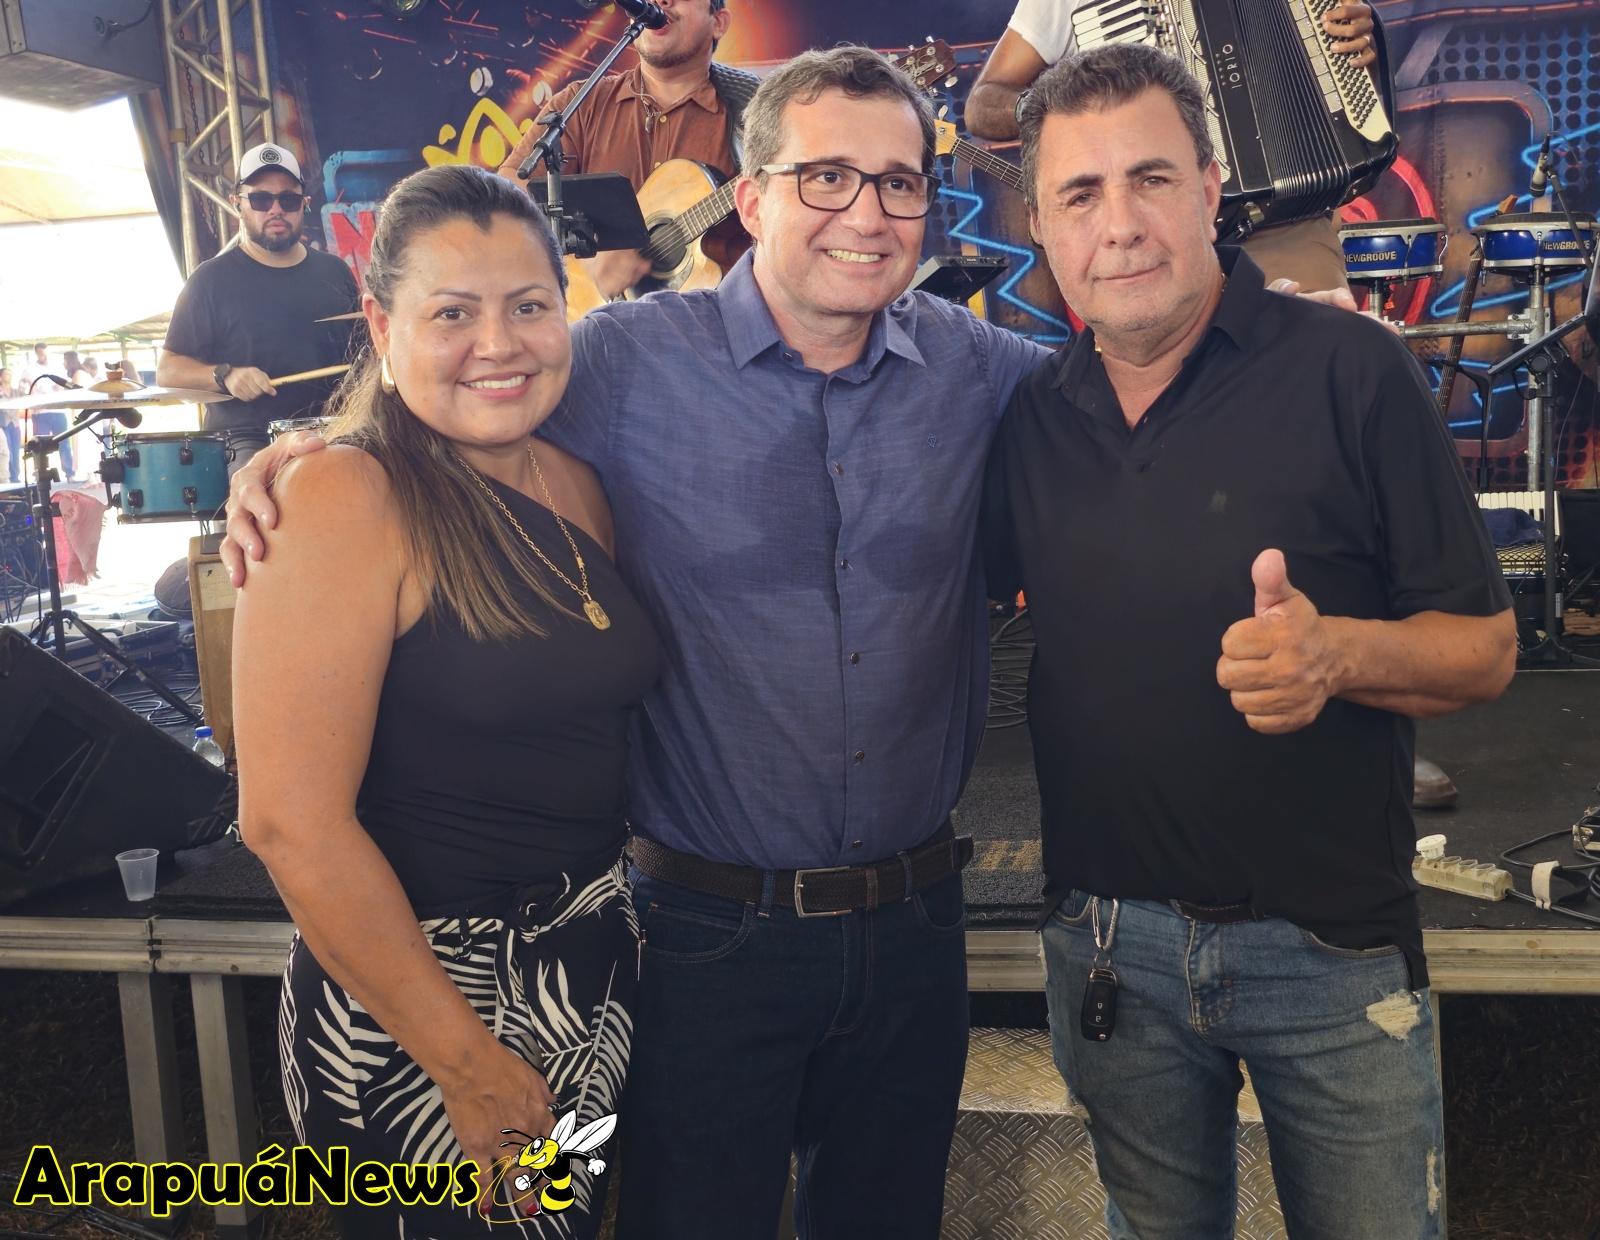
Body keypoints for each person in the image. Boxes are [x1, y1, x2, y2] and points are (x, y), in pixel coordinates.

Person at [229, 47, 1047, 1240]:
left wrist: (1282, 341)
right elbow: (440, 407)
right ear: (749, 197)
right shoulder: (621, 361)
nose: (865, 212)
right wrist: (299, 458)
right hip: (697, 935)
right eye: (824, 176)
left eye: (898, 181)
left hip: (901, 927)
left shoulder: (976, 367)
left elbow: (1132, 399)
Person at [982, 44, 1515, 1239]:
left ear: (1210, 189)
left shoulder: (1352, 372)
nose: (1119, 223)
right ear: (1042, 226)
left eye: (1150, 178)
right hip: (1106, 948)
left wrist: (1338, 657)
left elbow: (1483, 650)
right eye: (1079, 193)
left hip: (1329, 950)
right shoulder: (1028, 417)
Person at [233, 163, 659, 1239]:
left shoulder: (574, 480)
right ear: (383, 324)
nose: (498, 344)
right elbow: (287, 822)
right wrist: (464, 1063)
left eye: (529, 306)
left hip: (581, 972)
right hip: (422, 1006)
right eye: (453, 313)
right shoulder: (345, 492)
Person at [964, 0, 1380, 293]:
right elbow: (982, 104)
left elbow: (1334, 57)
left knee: (1309, 368)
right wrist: (1063, 108)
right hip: (1141, 234)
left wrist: (1354, 38)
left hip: (1280, 222)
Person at [496, 0, 756, 304]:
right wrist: (583, 250)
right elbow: (510, 189)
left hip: (715, 321)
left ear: (718, 23)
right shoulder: (581, 103)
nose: (661, 1)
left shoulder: (757, 113)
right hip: (593, 321)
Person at [157, 141, 358, 475]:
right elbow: (168, 371)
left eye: (288, 200)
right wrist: (226, 375)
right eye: (261, 199)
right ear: (238, 204)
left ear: (304, 204)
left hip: (333, 429)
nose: (275, 209)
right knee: (259, 488)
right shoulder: (210, 280)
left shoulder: (335, 272)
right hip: (248, 438)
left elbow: (364, 357)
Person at [18, 343, 72, 481]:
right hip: (40, 412)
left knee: (64, 442)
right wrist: (31, 394)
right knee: (39, 444)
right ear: (36, 353)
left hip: (58, 410)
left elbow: (67, 385)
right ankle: (39, 473)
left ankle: (69, 473)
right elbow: (22, 389)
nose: (44, 356)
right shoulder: (29, 369)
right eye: (41, 354)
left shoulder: (57, 367)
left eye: (45, 353)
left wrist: (60, 389)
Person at [0, 366, 18, 484]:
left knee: (15, 451)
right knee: (6, 451)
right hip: (3, 423)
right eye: (6, 374)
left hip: (14, 423)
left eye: (10, 374)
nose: (9, 376)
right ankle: (7, 477)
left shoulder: (15, 391)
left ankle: (15, 477)